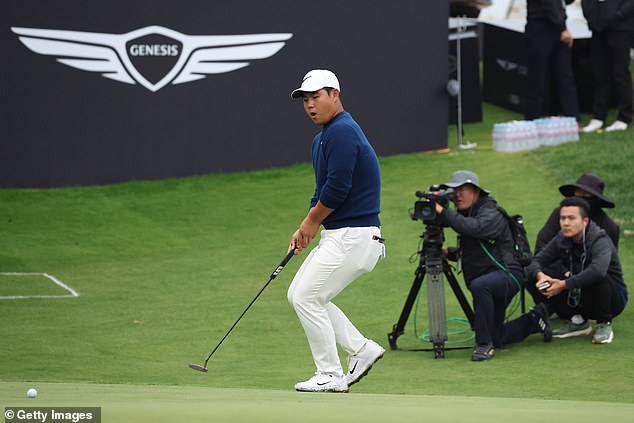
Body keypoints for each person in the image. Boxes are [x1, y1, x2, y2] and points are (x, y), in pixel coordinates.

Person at [286, 69, 386, 393]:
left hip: (354, 235)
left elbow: (338, 190)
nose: (310, 105)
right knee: (301, 295)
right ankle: (361, 350)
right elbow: (322, 189)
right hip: (343, 235)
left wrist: (312, 221)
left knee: (306, 296)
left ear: (335, 95)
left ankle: (330, 374)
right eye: (305, 100)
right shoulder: (324, 138)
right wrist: (306, 227)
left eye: (316, 97)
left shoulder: (342, 131)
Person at [435, 170, 551, 361]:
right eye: (454, 191)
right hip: (491, 276)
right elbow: (477, 252)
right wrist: (447, 252)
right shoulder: (468, 214)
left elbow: (476, 228)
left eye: (462, 189)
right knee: (496, 336)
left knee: (481, 285)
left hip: (509, 274)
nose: (457, 195)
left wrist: (444, 212)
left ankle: (483, 345)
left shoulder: (491, 211)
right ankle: (534, 321)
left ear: (475, 190)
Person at [528, 197, 628, 343]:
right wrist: (540, 276)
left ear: (585, 221)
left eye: (571, 218)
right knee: (530, 273)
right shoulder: (561, 237)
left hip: (613, 299)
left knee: (598, 278)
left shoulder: (599, 239)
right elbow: (536, 260)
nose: (566, 223)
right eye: (562, 218)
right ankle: (578, 321)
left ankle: (604, 323)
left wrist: (563, 284)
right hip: (579, 294)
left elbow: (598, 271)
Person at [529, 173, 620, 307]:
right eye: (578, 196)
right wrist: (560, 272)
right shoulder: (561, 215)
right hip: (560, 269)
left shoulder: (608, 227)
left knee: (599, 279)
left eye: (586, 197)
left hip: (589, 275)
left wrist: (571, 278)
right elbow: (541, 248)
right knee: (529, 270)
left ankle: (597, 314)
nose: (566, 222)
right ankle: (552, 307)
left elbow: (603, 266)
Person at [580, 0, 634, 133]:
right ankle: (598, 116)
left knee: (620, 74)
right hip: (598, 29)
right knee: (600, 74)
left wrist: (618, 14)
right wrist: (592, 16)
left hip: (620, 29)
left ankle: (624, 117)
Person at [524, 0, 579, 121]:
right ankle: (532, 119)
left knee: (565, 76)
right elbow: (549, 3)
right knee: (537, 77)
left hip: (557, 26)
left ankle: (573, 118)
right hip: (540, 26)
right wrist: (562, 28)